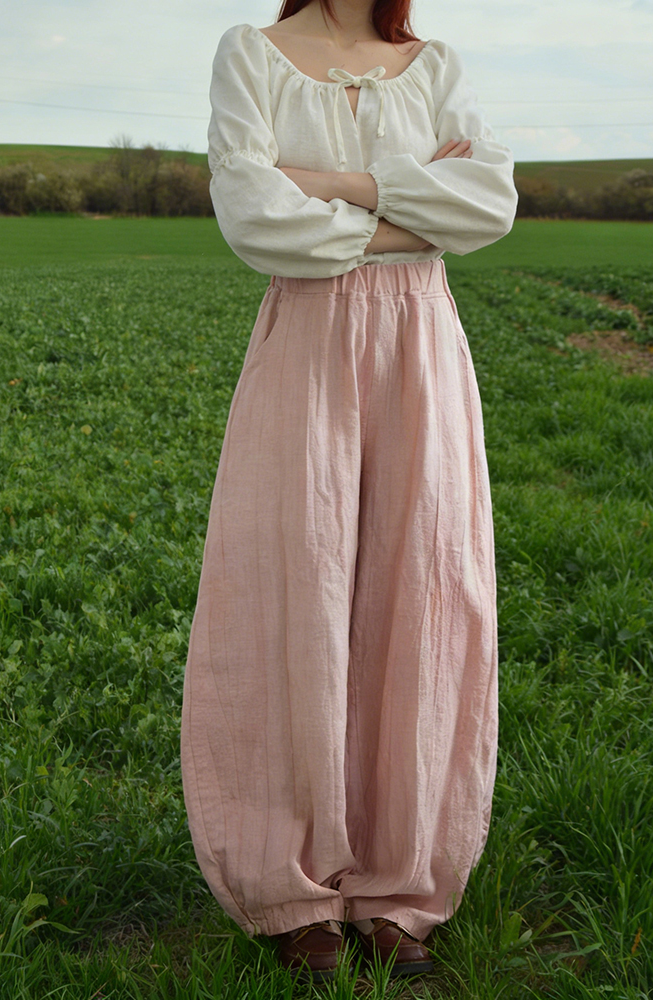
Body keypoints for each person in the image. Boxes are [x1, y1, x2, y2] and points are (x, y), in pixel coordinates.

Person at [180, 0, 517, 982]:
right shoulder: (252, 55)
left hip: (421, 349)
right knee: (300, 589)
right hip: (310, 346)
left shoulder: (435, 64)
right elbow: (253, 213)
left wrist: (331, 186)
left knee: (423, 595)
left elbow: (488, 205)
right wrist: (411, 209)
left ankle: (397, 880)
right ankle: (293, 883)